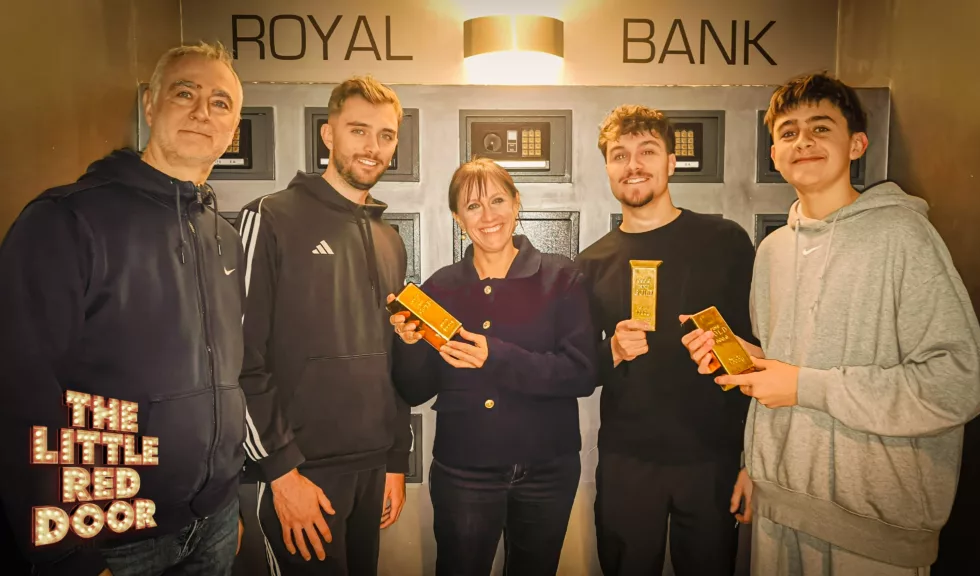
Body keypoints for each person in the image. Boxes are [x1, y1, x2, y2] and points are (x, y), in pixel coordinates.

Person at [682, 73, 980, 576]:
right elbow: (788, 364)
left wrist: (804, 386)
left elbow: (960, 384)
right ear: (774, 154)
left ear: (857, 144)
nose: (803, 141)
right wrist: (753, 454)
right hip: (779, 507)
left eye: (821, 128)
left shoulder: (903, 235)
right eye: (788, 132)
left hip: (874, 527)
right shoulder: (773, 250)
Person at [0, 42, 247, 575]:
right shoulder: (66, 221)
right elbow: (20, 393)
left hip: (214, 521)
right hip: (113, 536)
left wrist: (225, 498)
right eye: (185, 93)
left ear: (234, 130)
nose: (202, 112)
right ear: (150, 105)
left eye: (220, 103)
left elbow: (225, 377)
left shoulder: (225, 238)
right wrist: (67, 553)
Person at [234, 75, 412, 576]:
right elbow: (240, 359)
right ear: (328, 134)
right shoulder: (270, 217)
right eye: (359, 131)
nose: (373, 147)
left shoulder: (389, 239)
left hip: (373, 469)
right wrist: (280, 472)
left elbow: (394, 360)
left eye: (386, 135)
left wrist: (396, 460)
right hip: (302, 473)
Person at [388, 157, 597, 576]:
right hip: (463, 471)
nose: (488, 216)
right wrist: (409, 345)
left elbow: (582, 373)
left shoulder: (561, 278)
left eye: (498, 200)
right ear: (457, 217)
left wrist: (496, 356)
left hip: (546, 468)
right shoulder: (440, 288)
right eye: (473, 206)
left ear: (516, 203)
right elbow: (415, 390)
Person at [574, 105, 755, 575]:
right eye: (619, 155)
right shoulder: (592, 263)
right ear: (608, 168)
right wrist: (612, 350)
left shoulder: (725, 241)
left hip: (712, 459)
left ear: (671, 162)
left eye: (647, 151)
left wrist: (753, 461)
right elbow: (579, 367)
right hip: (627, 462)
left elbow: (759, 356)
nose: (633, 165)